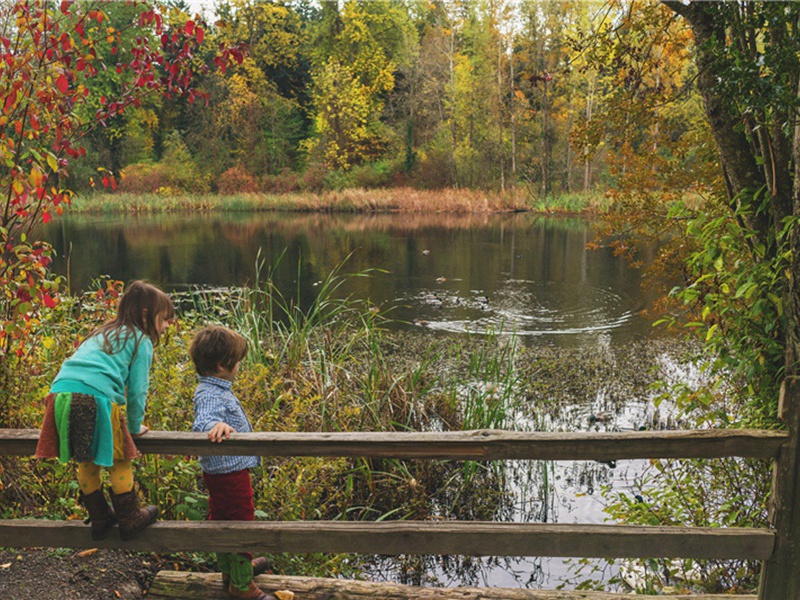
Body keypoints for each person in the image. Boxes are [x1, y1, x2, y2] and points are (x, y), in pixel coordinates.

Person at [35, 280, 173, 541]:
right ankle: (130, 518)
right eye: (165, 318)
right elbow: (137, 391)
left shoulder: (102, 333)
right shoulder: (141, 340)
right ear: (146, 315)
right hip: (95, 397)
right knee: (119, 456)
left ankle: (100, 518)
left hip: (60, 395)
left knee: (86, 457)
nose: (167, 325)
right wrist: (133, 427)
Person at [190, 325, 287, 600]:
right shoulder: (210, 393)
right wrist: (215, 424)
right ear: (222, 365)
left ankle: (232, 571)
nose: (239, 366)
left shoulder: (214, 387)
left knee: (223, 520)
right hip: (229, 473)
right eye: (237, 361)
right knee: (242, 522)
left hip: (222, 471)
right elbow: (203, 422)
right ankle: (243, 586)